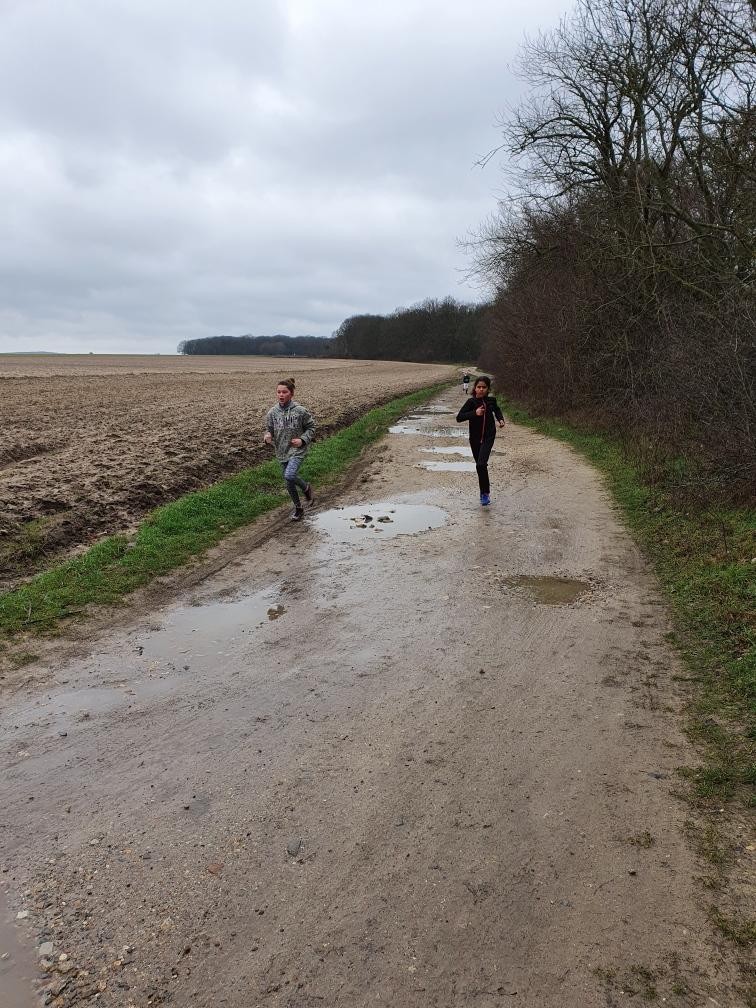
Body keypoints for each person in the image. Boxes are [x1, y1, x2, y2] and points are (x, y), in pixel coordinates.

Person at [264, 378, 316, 521]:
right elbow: (269, 430)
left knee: (289, 475)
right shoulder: (272, 413)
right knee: (289, 482)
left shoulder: (300, 411)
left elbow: (311, 427)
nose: (281, 395)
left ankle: (306, 488)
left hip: (297, 450)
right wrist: (267, 436)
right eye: (278, 392)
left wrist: (302, 440)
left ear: (291, 394)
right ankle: (298, 508)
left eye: (284, 392)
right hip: (282, 451)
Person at [456, 375, 505, 506]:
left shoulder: (491, 401)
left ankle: (485, 493)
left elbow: (497, 410)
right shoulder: (471, 403)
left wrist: (500, 419)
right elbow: (459, 417)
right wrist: (474, 413)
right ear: (475, 388)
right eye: (479, 387)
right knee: (480, 466)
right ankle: (484, 490)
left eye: (484, 387)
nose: (481, 389)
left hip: (488, 437)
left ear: (488, 389)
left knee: (481, 464)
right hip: (475, 439)